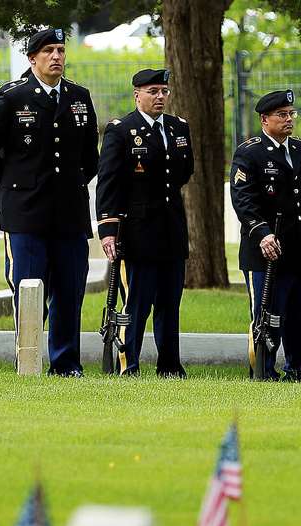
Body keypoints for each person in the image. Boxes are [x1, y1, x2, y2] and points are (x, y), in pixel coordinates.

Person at [0, 28, 98, 377]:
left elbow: (90, 155)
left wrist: (73, 183)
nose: (56, 57)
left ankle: (66, 363)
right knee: (28, 288)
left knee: (69, 289)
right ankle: (27, 361)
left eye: (60, 50)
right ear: (32, 58)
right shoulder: (13, 97)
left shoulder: (79, 97)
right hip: (25, 213)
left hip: (69, 213)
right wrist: (7, 183)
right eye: (48, 52)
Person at [94, 68, 194, 378]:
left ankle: (169, 365)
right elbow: (108, 182)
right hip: (137, 230)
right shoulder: (122, 130)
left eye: (164, 91)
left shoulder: (178, 128)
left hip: (170, 228)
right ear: (137, 95)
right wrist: (109, 229)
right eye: (153, 91)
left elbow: (184, 172)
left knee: (169, 301)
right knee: (136, 301)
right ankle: (128, 363)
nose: (160, 97)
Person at [228, 89, 301, 381]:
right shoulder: (250, 152)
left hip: (300, 246)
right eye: (282, 115)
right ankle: (263, 370)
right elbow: (243, 198)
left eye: (291, 114)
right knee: (267, 313)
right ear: (264, 119)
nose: (289, 119)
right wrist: (263, 233)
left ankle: (299, 369)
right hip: (266, 247)